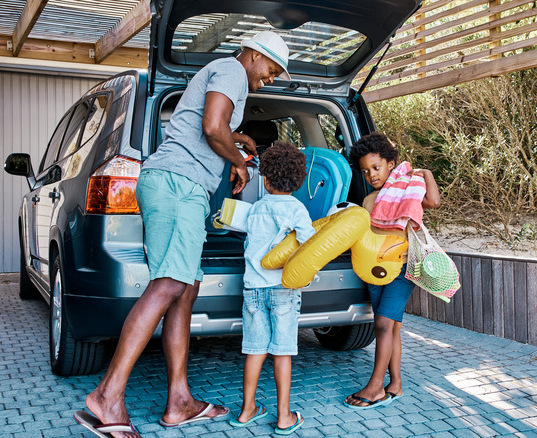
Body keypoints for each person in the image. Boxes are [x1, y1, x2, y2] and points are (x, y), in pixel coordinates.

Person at [75, 31, 291, 438]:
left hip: (178, 186)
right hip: (179, 185)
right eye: (272, 69)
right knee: (169, 284)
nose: (272, 78)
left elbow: (215, 126)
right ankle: (107, 395)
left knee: (184, 289)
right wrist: (239, 164)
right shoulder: (231, 69)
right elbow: (212, 126)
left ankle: (179, 402)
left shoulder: (227, 76)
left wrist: (239, 140)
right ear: (254, 54)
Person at [344, 132, 440, 409]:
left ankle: (375, 387)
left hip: (402, 268)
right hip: (375, 270)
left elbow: (433, 202)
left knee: (384, 325)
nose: (371, 175)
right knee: (391, 328)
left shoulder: (407, 191)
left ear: (390, 164)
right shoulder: (369, 200)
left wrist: (427, 174)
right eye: (365, 171)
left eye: (376, 167)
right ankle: (395, 385)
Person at [228, 141, 314, 435]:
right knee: (282, 352)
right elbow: (310, 246)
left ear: (264, 179)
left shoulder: (256, 208)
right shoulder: (298, 210)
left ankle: (247, 409)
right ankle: (283, 416)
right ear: (299, 180)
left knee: (254, 350)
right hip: (283, 291)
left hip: (253, 288)